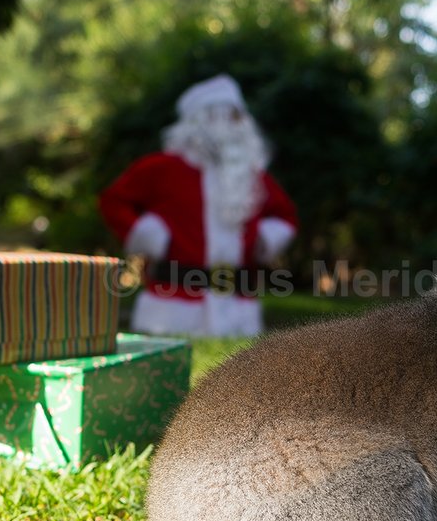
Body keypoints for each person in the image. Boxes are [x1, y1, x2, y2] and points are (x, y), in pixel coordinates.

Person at [98, 74, 298, 337]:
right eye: (224, 116)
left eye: (237, 117)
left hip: (238, 305)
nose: (232, 125)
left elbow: (286, 217)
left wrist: (264, 238)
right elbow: (113, 201)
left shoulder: (252, 177)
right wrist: (147, 233)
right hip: (173, 302)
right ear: (200, 120)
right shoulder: (163, 168)